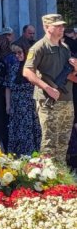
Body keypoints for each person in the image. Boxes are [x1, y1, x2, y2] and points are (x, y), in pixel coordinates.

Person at [23, 14, 77, 163]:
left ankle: (60, 175)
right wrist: (47, 88)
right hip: (48, 101)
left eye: (62, 26)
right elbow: (27, 71)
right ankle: (47, 174)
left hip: (66, 100)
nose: (62, 29)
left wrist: (75, 69)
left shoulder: (65, 48)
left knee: (63, 143)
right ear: (47, 27)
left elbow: (71, 76)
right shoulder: (39, 47)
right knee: (49, 142)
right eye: (57, 26)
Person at [5, 44, 41, 155]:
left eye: (20, 52)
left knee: (29, 131)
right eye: (15, 53)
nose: (17, 55)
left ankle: (31, 156)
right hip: (16, 106)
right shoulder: (13, 67)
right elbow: (8, 87)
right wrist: (8, 105)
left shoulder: (34, 68)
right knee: (16, 131)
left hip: (30, 105)